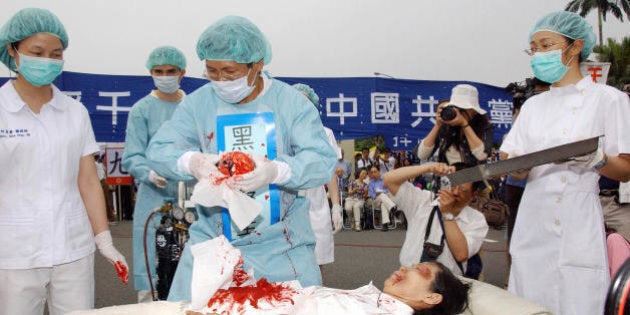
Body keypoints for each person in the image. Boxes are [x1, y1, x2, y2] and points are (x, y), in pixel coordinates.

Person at [145, 15, 337, 301]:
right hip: (214, 243)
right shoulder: (198, 104)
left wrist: (277, 172)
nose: (221, 80)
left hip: (281, 246)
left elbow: (322, 160)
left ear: (257, 65)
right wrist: (193, 162)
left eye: (230, 72)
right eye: (212, 71)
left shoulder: (291, 104)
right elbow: (159, 149)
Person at [500, 11, 630, 314]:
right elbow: (512, 166)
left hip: (577, 218)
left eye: (546, 45)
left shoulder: (608, 99)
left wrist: (596, 158)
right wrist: (517, 166)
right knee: (528, 301)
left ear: (575, 47)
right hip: (532, 222)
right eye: (533, 49)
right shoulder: (532, 106)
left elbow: (625, 169)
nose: (538, 55)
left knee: (578, 300)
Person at [0, 8, 127, 315]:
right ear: (12, 52)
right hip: (14, 251)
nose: (47, 60)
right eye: (37, 52)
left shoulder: (74, 112)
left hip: (73, 247)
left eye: (56, 54)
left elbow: (87, 180)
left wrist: (104, 240)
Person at [121, 45, 188, 302]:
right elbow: (132, 156)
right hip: (153, 199)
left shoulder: (193, 107)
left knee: (191, 271)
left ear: (182, 73)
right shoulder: (142, 110)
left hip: (191, 198)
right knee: (152, 270)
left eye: (171, 70)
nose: (165, 75)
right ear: (151, 72)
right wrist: (149, 174)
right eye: (159, 71)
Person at [383, 162, 488, 276]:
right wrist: (429, 167)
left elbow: (461, 254)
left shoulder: (477, 219)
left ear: (473, 194)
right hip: (409, 277)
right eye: (452, 185)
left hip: (447, 284)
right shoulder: (423, 200)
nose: (456, 192)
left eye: (463, 190)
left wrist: (447, 214)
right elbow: (389, 179)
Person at [292, 83, 343, 270]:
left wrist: (336, 206)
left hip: (316, 204)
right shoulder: (279, 132)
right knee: (290, 266)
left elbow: (330, 173)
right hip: (287, 204)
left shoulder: (325, 133)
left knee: (317, 262)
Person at [416, 85, 493, 167]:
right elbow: (422, 155)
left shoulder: (485, 126)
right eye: (456, 108)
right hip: (447, 177)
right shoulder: (446, 127)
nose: (459, 112)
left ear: (474, 111)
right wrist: (437, 126)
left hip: (473, 177)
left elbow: (482, 155)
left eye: (463, 109)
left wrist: (465, 125)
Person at [367, 166, 397, 231]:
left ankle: (385, 224)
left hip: (386, 200)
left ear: (379, 172)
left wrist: (383, 192)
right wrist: (377, 194)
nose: (373, 174)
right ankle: (393, 208)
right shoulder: (371, 183)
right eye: (372, 172)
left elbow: (389, 191)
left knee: (383, 204)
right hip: (376, 201)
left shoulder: (384, 180)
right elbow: (371, 195)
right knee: (382, 195)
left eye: (375, 172)